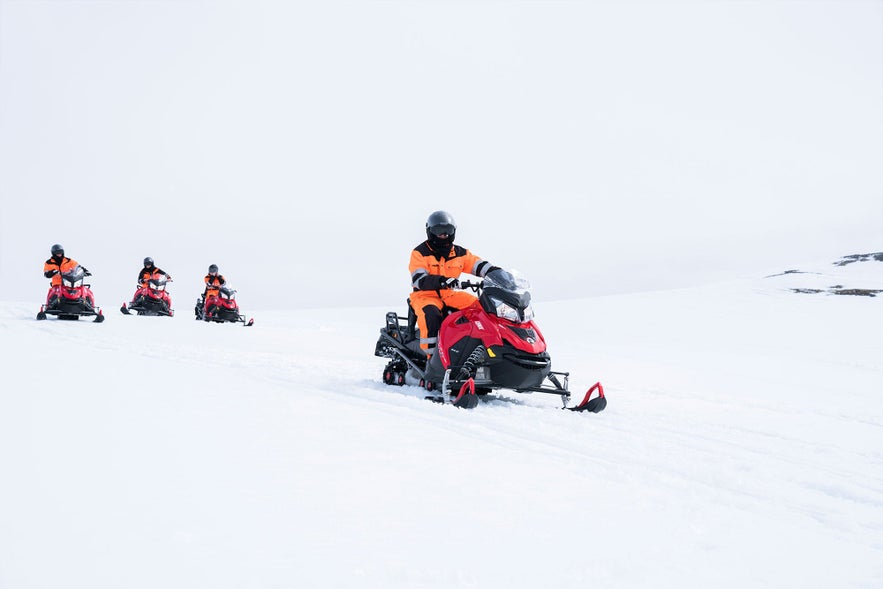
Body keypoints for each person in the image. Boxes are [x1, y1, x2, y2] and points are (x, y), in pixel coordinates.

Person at [409, 211, 498, 356]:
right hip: (424, 296)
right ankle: (431, 357)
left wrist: (496, 272)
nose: (444, 235)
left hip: (449, 295)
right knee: (430, 314)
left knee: (481, 308)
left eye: (447, 231)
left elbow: (478, 265)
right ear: (430, 232)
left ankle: (483, 349)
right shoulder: (420, 253)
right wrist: (442, 281)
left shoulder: (459, 253)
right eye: (439, 231)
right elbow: (419, 280)